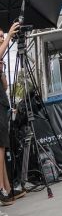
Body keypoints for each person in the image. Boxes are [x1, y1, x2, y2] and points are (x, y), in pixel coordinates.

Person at [0, 23, 21, 206]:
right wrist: (8, 37)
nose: (2, 38)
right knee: (0, 147)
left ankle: (6, 189)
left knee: (2, 148)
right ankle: (2, 190)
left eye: (2, 35)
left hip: (2, 105)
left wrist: (1, 70)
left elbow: (5, 86)